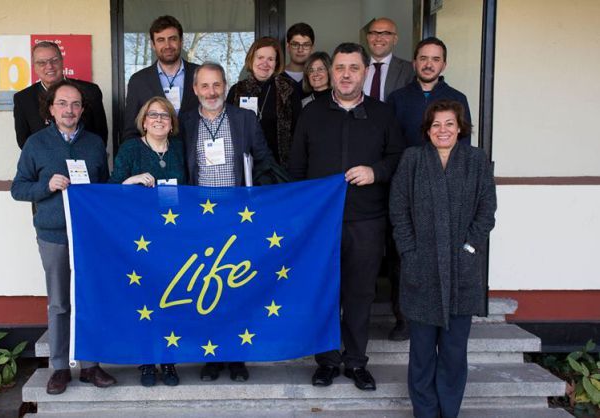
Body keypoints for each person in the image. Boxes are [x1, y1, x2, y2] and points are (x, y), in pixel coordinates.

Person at [289, 43, 405, 391]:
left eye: (354, 68)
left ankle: (355, 362)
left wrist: (376, 171)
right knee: (324, 293)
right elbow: (296, 168)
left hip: (367, 221)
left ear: (366, 72)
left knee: (359, 294)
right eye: (340, 67)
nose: (345, 74)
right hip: (320, 224)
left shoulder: (383, 115)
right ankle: (326, 361)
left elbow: (400, 157)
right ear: (331, 71)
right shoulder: (312, 113)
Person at [389, 99, 496, 418]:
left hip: (461, 271)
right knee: (421, 353)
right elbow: (398, 209)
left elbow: (486, 210)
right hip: (421, 270)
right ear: (427, 129)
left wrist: (470, 248)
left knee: (453, 353)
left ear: (461, 127)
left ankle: (448, 412)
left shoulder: (476, 161)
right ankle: (425, 412)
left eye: (449, 123)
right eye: (436, 124)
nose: (443, 130)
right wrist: (409, 251)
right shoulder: (413, 159)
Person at [11, 80, 115, 394]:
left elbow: (103, 188)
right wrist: (47, 186)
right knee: (59, 303)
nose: (69, 110)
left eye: (75, 105)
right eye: (62, 104)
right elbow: (18, 189)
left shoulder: (95, 144)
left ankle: (91, 365)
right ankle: (59, 368)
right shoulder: (36, 144)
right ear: (52, 109)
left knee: (89, 299)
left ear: (82, 110)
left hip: (88, 236)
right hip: (54, 234)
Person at [179, 62, 275, 381]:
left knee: (236, 287)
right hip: (200, 219)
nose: (211, 92)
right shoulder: (184, 122)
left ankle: (236, 357)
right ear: (195, 90)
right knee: (207, 288)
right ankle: (212, 355)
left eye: (217, 85)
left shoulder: (244, 119)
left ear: (225, 86)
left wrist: (259, 201)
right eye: (204, 86)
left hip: (238, 219)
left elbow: (263, 161)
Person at [110, 96, 184, 386]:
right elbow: (112, 188)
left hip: (172, 237)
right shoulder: (131, 149)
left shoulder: (178, 150)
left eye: (164, 115)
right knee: (144, 299)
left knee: (171, 296)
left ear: (171, 122)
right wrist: (132, 180)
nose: (158, 120)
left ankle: (168, 361)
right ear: (143, 120)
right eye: (153, 115)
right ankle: (145, 361)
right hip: (140, 238)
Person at [13, 41, 108, 148]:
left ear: (62, 61)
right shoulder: (23, 99)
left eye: (54, 60)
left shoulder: (90, 91)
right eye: (41, 63)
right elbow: (24, 142)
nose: (49, 66)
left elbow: (101, 136)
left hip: (83, 161)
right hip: (44, 163)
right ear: (34, 67)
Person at [226, 37, 301, 168]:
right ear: (252, 59)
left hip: (280, 169)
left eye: (270, 59)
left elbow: (298, 132)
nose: (265, 63)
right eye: (260, 57)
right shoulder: (237, 91)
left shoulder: (288, 90)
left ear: (276, 63)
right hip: (245, 167)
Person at [123, 15, 200, 140]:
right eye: (160, 40)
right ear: (153, 45)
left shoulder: (200, 75)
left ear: (181, 41)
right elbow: (131, 131)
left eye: (172, 39)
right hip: (155, 157)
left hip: (195, 155)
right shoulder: (138, 81)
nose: (167, 45)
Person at [388, 37, 472, 148]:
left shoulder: (458, 98)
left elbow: (464, 144)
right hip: (406, 164)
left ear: (444, 65)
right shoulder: (396, 98)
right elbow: (389, 144)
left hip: (446, 165)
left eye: (436, 59)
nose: (428, 65)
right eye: (423, 58)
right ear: (414, 63)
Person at [364, 18, 414, 102]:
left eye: (386, 34)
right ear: (367, 38)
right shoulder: (356, 67)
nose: (378, 39)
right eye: (373, 33)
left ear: (395, 40)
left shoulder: (409, 70)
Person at [281, 22, 315, 91]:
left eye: (306, 45)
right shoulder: (277, 77)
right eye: (295, 44)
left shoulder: (318, 77)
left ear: (312, 48)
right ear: (288, 47)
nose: (300, 50)